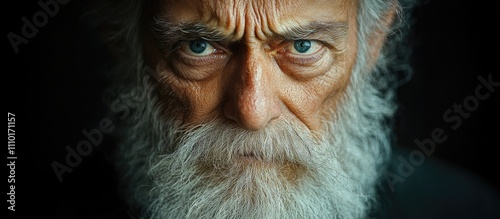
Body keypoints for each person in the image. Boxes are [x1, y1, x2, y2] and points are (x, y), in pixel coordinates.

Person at [79, 0, 499, 218]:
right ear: (124, 46)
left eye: (303, 47)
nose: (252, 110)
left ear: (371, 44)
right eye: (199, 46)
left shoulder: (467, 212)